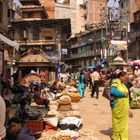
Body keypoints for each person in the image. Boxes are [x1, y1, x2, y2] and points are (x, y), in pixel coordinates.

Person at [110, 71, 129, 140]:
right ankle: (117, 137)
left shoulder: (122, 83)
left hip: (123, 107)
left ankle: (122, 136)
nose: (125, 78)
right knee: (117, 122)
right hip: (117, 106)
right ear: (121, 76)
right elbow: (112, 92)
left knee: (123, 122)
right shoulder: (115, 82)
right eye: (124, 77)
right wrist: (123, 94)